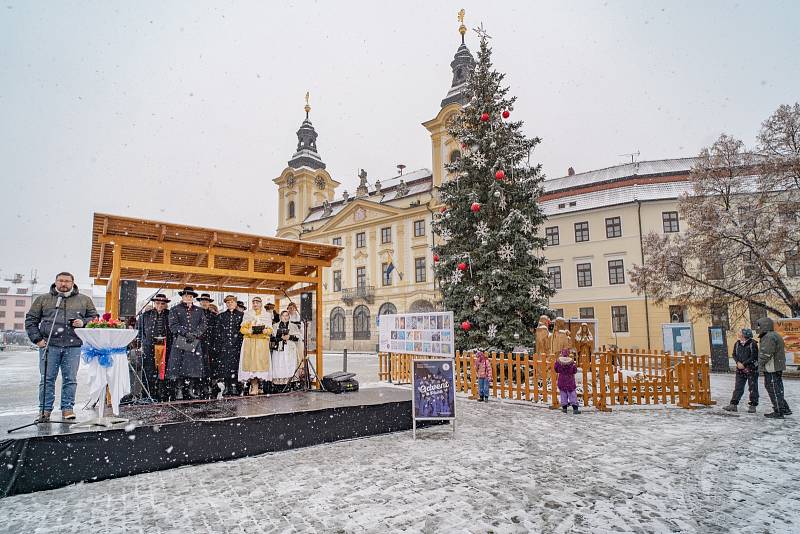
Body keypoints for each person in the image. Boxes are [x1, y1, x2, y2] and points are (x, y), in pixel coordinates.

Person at [25, 272, 98, 422]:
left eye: (66, 281)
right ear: (56, 282)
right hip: (49, 345)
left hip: (73, 346)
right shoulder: (43, 299)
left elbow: (95, 318)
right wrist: (37, 339)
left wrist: (83, 322)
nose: (63, 284)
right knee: (47, 379)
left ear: (73, 283)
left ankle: (67, 408)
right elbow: (31, 320)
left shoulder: (84, 300)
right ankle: (44, 410)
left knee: (70, 378)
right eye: (60, 281)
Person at [167, 286, 208, 400]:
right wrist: (185, 333)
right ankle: (179, 389)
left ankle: (190, 389)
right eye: (186, 296)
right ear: (182, 297)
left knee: (193, 367)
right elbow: (173, 325)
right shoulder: (174, 309)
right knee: (179, 367)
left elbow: (203, 324)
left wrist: (195, 334)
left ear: (193, 298)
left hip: (194, 341)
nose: (188, 298)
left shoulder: (199, 310)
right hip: (180, 341)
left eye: (190, 296)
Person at [756, 317, 792, 419]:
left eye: (759, 326)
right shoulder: (774, 335)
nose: (757, 328)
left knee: (773, 388)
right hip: (777, 366)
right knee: (778, 388)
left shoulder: (768, 337)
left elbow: (765, 354)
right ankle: (784, 408)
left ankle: (778, 411)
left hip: (772, 367)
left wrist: (759, 365)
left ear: (764, 326)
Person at [139, 293, 172, 401]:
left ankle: (162, 391)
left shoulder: (170, 314)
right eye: (158, 303)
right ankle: (149, 391)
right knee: (149, 368)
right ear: (154, 303)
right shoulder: (145, 315)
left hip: (165, 344)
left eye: (162, 303)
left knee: (163, 369)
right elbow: (140, 330)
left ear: (165, 304)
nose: (160, 305)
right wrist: (141, 343)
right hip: (149, 345)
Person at [239, 296, 273, 395]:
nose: (255, 304)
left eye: (257, 302)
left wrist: (265, 330)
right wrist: (249, 331)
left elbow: (270, 330)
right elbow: (242, 329)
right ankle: (254, 386)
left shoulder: (266, 315)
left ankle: (261, 385)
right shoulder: (248, 314)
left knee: (261, 365)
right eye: (253, 302)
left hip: (261, 343)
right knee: (251, 366)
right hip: (250, 342)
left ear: (261, 303)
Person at [213, 295, 244, 396]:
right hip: (224, 346)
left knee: (235, 366)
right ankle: (227, 386)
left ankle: (234, 386)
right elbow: (218, 332)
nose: (230, 304)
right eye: (228, 302)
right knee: (225, 367)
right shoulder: (221, 316)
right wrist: (220, 344)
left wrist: (239, 342)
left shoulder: (242, 315)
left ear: (235, 303)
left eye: (232, 302)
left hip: (237, 345)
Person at [723, 328, 759, 413]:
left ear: (745, 335)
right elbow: (734, 354)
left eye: (740, 333)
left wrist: (744, 364)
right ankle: (733, 404)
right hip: (740, 369)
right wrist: (738, 362)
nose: (739, 334)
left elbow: (754, 356)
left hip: (751, 369)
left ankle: (753, 405)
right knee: (738, 387)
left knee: (753, 387)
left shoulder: (752, 343)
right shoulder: (737, 343)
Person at [271, 310, 301, 387]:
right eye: (283, 316)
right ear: (280, 317)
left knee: (289, 364)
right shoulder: (275, 326)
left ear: (289, 317)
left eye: (287, 315)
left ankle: (290, 382)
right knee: (279, 364)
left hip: (290, 348)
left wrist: (290, 336)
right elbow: (271, 338)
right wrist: (280, 337)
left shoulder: (293, 326)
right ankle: (279, 384)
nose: (285, 317)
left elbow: (298, 337)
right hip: (279, 348)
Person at [196, 293, 217, 398]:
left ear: (209, 303)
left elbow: (216, 331)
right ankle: (198, 386)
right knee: (197, 366)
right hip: (197, 344)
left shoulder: (213, 315)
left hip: (210, 344)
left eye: (206, 301)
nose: (204, 303)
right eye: (203, 301)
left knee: (208, 366)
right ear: (200, 302)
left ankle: (206, 385)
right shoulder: (195, 313)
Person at [554, 348, 580, 414]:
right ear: (568, 353)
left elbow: (556, 369)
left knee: (563, 395)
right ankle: (575, 409)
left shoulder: (558, 361)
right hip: (570, 380)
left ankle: (564, 408)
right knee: (572, 394)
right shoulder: (571, 362)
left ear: (562, 353)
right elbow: (574, 371)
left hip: (562, 380)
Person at [286, 301, 306, 367]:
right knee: (290, 357)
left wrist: (299, 327)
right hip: (289, 338)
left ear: (295, 309)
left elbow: (302, 329)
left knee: (299, 356)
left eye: (292, 308)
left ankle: (300, 371)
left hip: (298, 338)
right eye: (289, 308)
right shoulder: (286, 316)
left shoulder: (299, 317)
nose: (291, 310)